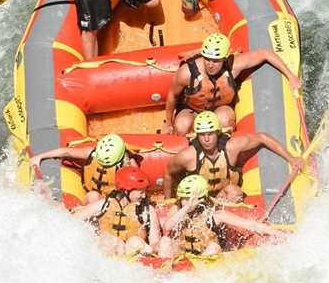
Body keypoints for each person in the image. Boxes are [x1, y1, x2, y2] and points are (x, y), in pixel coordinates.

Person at [162, 32, 302, 135]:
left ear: (224, 59)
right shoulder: (187, 73)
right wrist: (168, 123)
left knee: (224, 119)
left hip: (220, 108)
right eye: (207, 59)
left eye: (216, 60)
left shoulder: (234, 65)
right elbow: (172, 96)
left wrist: (291, 76)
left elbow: (265, 54)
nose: (210, 65)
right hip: (193, 110)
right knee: (181, 125)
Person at [162, 110, 304, 201]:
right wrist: (168, 201)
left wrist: (291, 159)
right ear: (197, 136)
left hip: (225, 198)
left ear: (218, 133)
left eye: (210, 134)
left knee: (234, 191)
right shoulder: (188, 156)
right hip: (200, 200)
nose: (206, 139)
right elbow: (168, 173)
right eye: (202, 135)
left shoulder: (231, 147)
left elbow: (262, 137)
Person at [158, 174, 285, 258]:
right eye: (183, 199)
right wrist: (185, 208)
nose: (186, 202)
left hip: (206, 257)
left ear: (201, 199)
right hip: (184, 255)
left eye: (190, 199)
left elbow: (249, 224)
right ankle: (164, 279)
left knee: (214, 247)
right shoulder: (178, 209)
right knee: (164, 241)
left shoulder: (215, 214)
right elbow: (167, 228)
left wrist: (279, 234)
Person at [73, 166, 160, 256]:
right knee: (111, 240)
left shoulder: (147, 211)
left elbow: (154, 242)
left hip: (134, 253)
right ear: (126, 191)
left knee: (134, 241)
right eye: (141, 192)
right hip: (109, 251)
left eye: (144, 191)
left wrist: (151, 248)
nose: (144, 196)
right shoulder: (105, 205)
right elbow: (73, 218)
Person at [30, 133, 138, 203]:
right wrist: (40, 157)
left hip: (112, 199)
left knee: (106, 199)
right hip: (93, 195)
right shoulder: (92, 154)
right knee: (93, 196)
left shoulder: (127, 164)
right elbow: (66, 152)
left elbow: (137, 186)